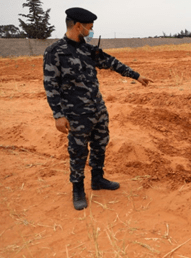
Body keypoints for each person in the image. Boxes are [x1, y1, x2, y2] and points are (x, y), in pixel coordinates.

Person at [43, 7, 153, 210]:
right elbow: (50, 85)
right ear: (78, 26)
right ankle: (77, 189)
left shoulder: (88, 49)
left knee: (100, 143)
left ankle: (97, 179)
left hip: (97, 109)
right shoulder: (55, 52)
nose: (91, 31)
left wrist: (136, 75)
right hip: (76, 113)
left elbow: (110, 62)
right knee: (77, 151)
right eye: (89, 27)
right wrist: (58, 115)